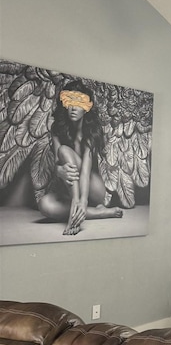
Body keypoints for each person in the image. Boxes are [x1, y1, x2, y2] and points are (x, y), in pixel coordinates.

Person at [38, 80, 122, 235]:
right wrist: (59, 170)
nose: (73, 108)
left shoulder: (91, 131)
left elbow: (85, 170)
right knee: (44, 205)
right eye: (69, 102)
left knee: (64, 149)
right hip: (69, 188)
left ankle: (76, 207)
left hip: (93, 187)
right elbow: (58, 163)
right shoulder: (57, 129)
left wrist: (82, 201)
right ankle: (98, 213)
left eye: (79, 103)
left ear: (87, 108)